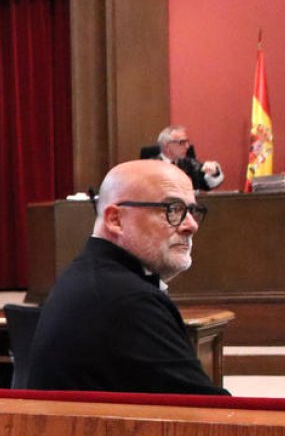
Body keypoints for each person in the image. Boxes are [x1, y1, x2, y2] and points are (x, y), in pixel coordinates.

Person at [25, 160, 229, 395]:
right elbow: (207, 411)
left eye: (192, 210)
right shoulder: (127, 300)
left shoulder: (92, 275)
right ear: (116, 220)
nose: (191, 225)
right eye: (172, 209)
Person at [156, 125, 223, 191]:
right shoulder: (152, 166)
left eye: (187, 142)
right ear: (166, 146)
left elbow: (208, 184)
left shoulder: (190, 163)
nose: (187, 146)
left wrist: (214, 172)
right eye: (182, 142)